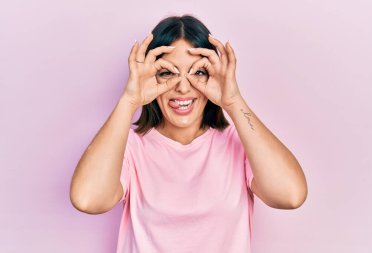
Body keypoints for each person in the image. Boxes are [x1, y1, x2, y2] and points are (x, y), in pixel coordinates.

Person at [70, 14, 308, 253]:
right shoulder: (130, 147)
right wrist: (129, 100)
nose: (183, 87)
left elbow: (290, 195)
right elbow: (87, 199)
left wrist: (233, 101)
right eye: (168, 73)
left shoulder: (239, 143)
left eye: (197, 72)